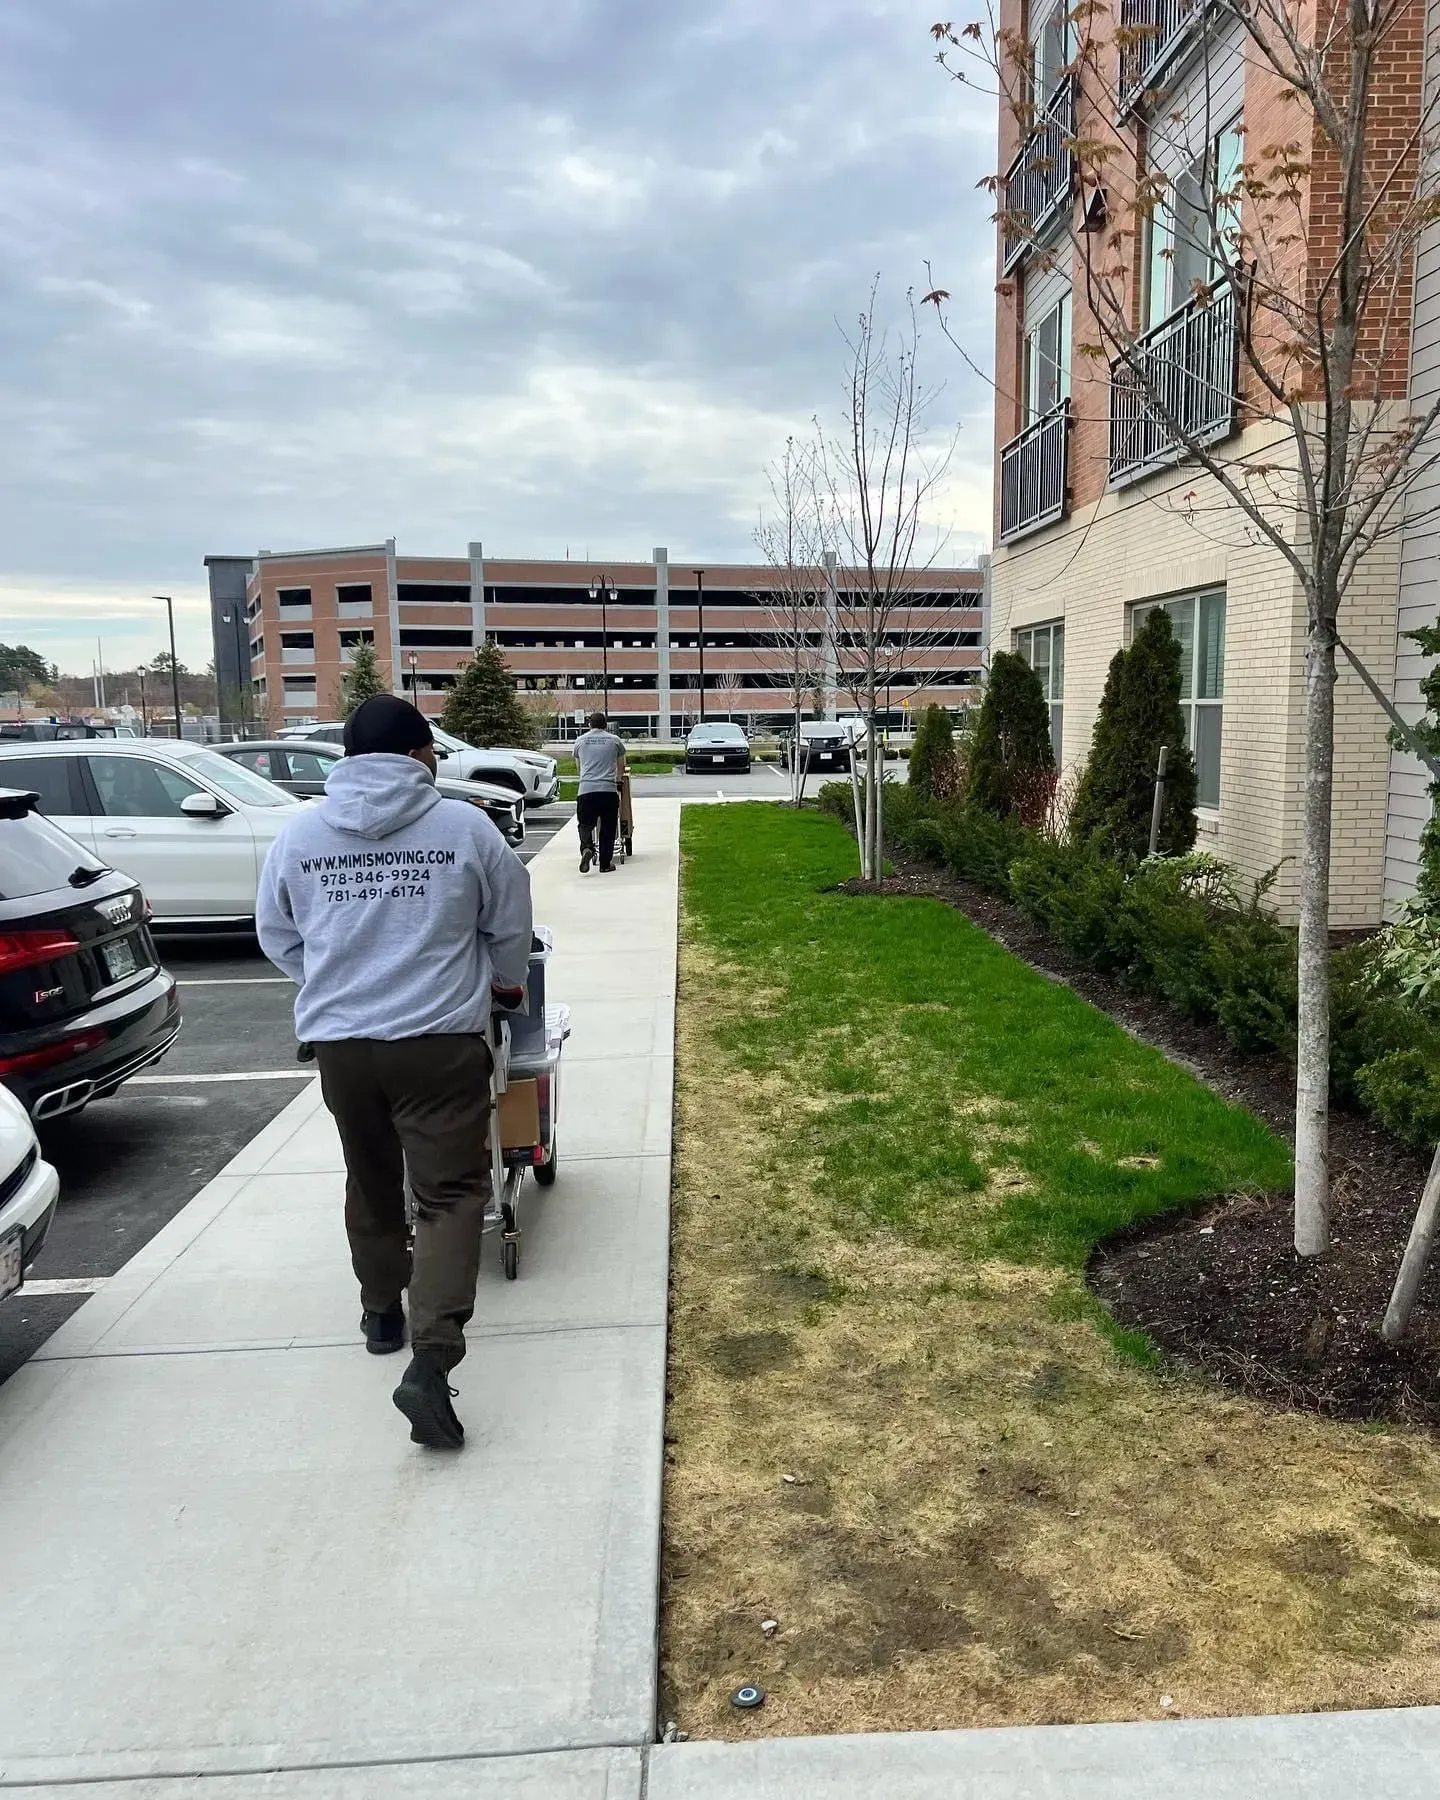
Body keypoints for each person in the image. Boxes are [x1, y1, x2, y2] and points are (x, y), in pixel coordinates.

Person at [256, 693, 533, 1451]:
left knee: (372, 1180)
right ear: (418, 755)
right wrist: (503, 983)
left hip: (343, 1046)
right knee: (448, 1195)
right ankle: (432, 1355)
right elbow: (509, 922)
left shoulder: (301, 833)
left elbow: (276, 933)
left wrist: (332, 978)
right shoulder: (463, 826)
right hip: (438, 1040)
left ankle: (381, 1312)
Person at [573, 709, 627, 874]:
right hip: (607, 790)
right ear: (605, 725)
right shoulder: (614, 741)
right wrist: (617, 779)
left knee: (585, 824)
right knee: (608, 828)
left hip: (586, 790)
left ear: (590, 725)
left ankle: (587, 848)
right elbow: (621, 765)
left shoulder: (580, 741)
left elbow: (579, 767)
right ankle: (605, 863)